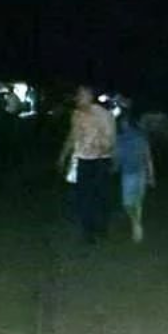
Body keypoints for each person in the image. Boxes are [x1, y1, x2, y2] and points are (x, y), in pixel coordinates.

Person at [57, 86, 116, 242]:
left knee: (100, 195)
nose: (78, 98)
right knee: (83, 197)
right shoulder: (77, 115)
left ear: (90, 96)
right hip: (83, 159)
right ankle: (87, 230)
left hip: (101, 160)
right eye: (77, 95)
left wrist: (100, 147)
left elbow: (110, 139)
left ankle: (101, 226)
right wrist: (64, 155)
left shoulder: (103, 115)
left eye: (81, 95)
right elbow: (73, 136)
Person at [115, 111, 155, 242]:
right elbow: (148, 158)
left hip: (128, 173)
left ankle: (136, 224)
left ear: (123, 123)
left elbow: (117, 159)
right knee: (138, 201)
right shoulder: (141, 137)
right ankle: (136, 226)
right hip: (141, 172)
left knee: (127, 203)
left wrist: (113, 168)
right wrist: (151, 175)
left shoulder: (119, 139)